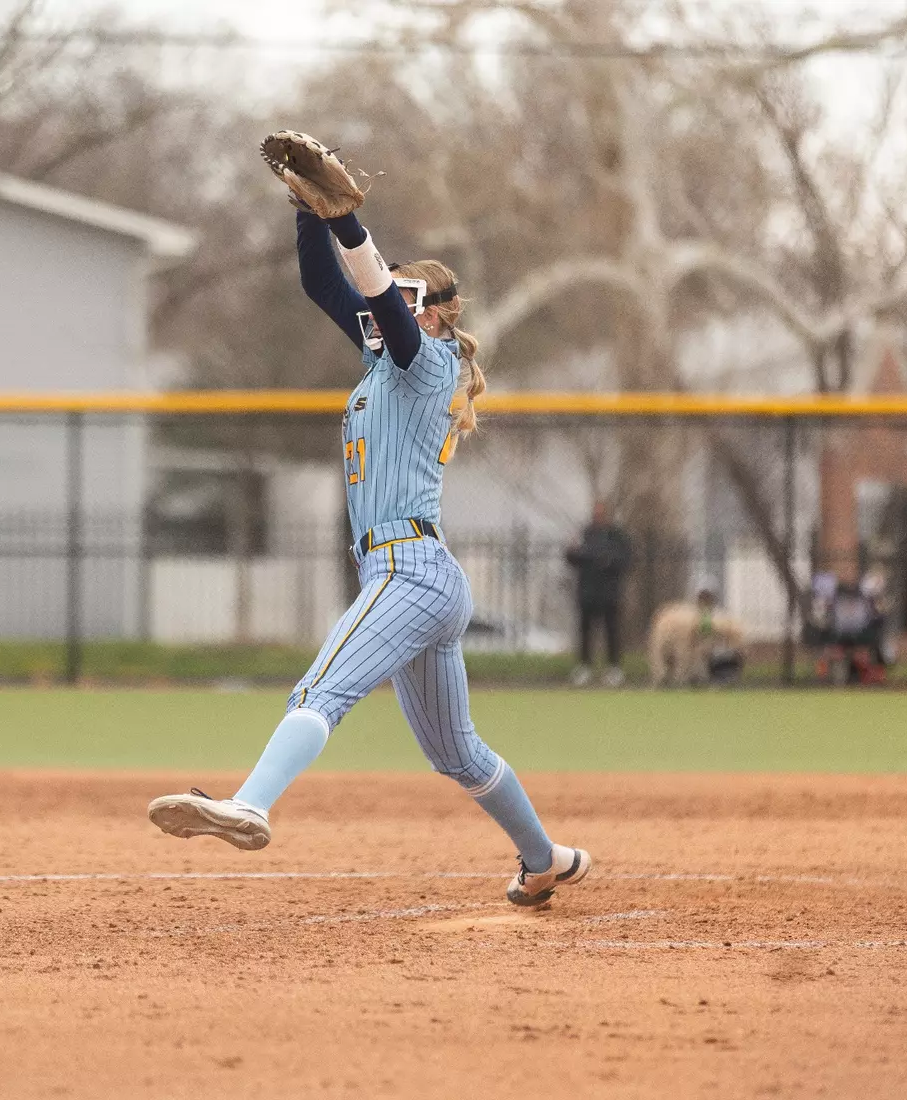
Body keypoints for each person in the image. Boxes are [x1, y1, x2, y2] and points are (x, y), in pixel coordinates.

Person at [146, 150, 591, 909]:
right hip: (420, 576)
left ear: (438, 312)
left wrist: (348, 221)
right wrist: (308, 215)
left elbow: (381, 302)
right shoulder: (386, 363)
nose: (388, 307)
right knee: (457, 753)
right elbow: (326, 284)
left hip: (409, 571)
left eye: (411, 299)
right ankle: (546, 857)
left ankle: (251, 803)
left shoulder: (430, 363)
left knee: (324, 686)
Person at [565, 501, 633, 687]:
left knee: (612, 631)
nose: (598, 515)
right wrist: (585, 556)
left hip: (609, 594)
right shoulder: (585, 534)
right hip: (587, 592)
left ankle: (614, 668)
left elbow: (626, 560)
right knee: (585, 631)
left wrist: (607, 561)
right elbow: (572, 556)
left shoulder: (617, 536)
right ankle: (584, 667)